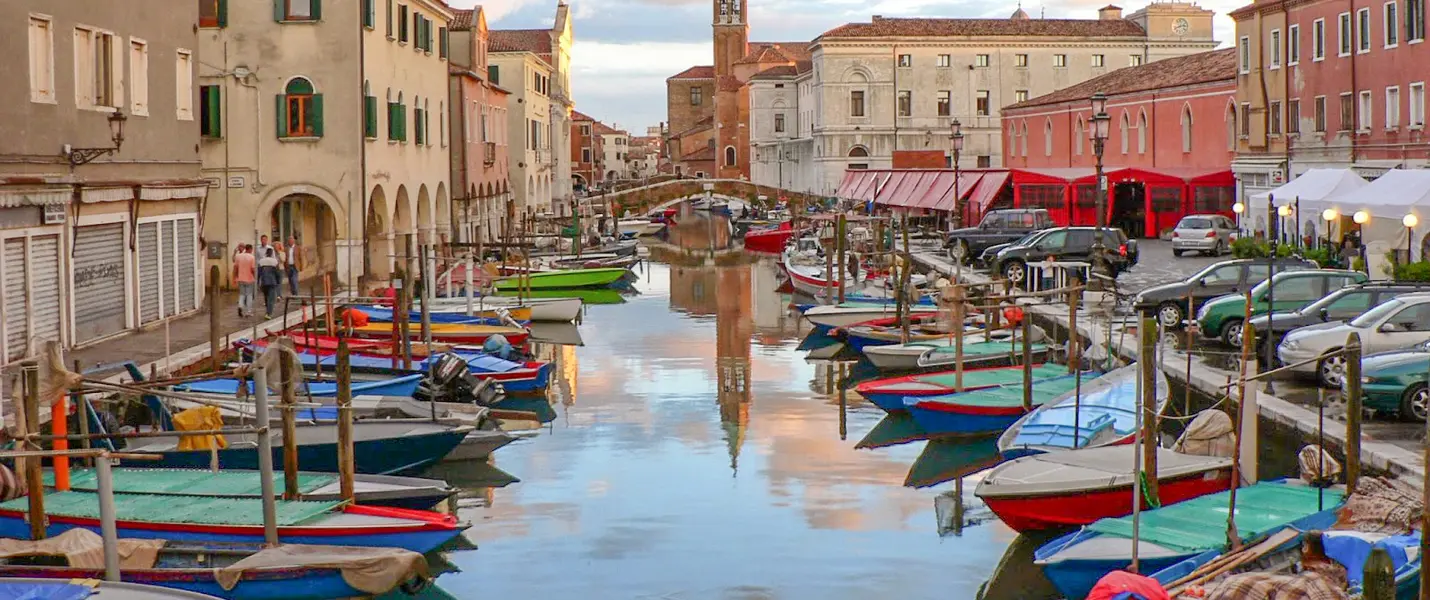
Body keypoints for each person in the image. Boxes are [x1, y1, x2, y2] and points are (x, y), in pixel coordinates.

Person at [257, 247, 282, 319]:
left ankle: (267, 311)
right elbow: (277, 273)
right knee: (271, 298)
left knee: (266, 297)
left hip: (264, 282)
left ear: (266, 253)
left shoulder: (261, 261)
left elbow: (259, 273)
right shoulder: (274, 261)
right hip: (272, 282)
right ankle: (269, 313)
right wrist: (278, 281)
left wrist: (258, 282)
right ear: (272, 253)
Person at [232, 245, 256, 317]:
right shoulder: (252, 257)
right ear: (250, 249)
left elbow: (235, 268)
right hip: (249, 279)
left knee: (242, 294)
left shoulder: (238, 256)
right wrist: (255, 277)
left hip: (240, 278)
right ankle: (248, 311)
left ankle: (240, 306)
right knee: (249, 295)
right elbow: (253, 269)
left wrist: (235, 277)